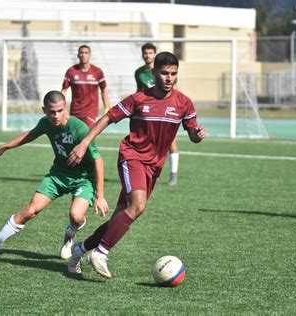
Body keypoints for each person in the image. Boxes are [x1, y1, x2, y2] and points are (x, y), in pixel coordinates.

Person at [66, 52, 206, 278]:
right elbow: (107, 118)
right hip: (133, 158)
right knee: (138, 205)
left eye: (173, 74)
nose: (169, 78)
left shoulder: (184, 103)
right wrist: (84, 143)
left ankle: (79, 250)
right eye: (164, 73)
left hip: (154, 167)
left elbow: (192, 134)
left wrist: (198, 134)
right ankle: (100, 253)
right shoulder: (138, 99)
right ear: (154, 73)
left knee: (122, 216)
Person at [0, 91, 109, 265]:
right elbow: (29, 135)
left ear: (65, 108)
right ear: (44, 110)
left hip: (83, 179)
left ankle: (70, 235)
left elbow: (98, 160)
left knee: (76, 216)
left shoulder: (79, 128)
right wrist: (5, 147)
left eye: (60, 111)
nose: (56, 116)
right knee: (30, 210)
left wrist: (100, 195)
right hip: (58, 175)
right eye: (51, 112)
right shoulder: (45, 123)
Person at [135, 43, 180, 185]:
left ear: (154, 54)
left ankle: (173, 174)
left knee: (170, 142)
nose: (148, 55)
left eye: (150, 53)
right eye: (145, 53)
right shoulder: (139, 73)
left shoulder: (166, 71)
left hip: (165, 111)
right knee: (149, 142)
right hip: (148, 113)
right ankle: (150, 171)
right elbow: (139, 91)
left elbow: (174, 90)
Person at [61, 45, 110, 129]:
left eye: (86, 53)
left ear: (90, 55)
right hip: (75, 110)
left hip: (90, 112)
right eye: (81, 53)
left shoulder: (97, 72)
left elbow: (103, 90)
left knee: (88, 135)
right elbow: (64, 90)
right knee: (74, 136)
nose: (83, 55)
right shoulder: (71, 71)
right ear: (78, 55)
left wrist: (106, 108)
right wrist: (61, 107)